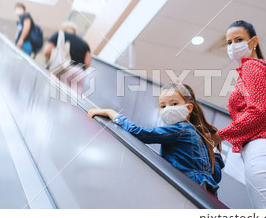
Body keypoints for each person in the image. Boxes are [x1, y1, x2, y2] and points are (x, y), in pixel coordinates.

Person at [87, 83, 224, 195]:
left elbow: (140, 133)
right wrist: (215, 153)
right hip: (204, 196)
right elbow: (216, 177)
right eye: (163, 106)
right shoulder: (197, 135)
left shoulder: (180, 129)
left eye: (174, 103)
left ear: (188, 108)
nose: (167, 109)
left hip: (185, 192)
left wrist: (113, 114)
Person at [217, 20, 266, 209]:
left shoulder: (251, 67)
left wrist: (219, 135)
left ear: (253, 42)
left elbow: (257, 112)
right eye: (229, 42)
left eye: (238, 39)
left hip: (262, 155)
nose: (233, 46)